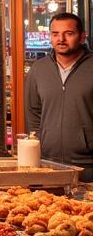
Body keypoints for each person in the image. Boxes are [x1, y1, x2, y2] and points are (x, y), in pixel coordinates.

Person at [24, 12, 93, 181]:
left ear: (82, 36)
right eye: (55, 34)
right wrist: (39, 146)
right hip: (48, 164)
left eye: (69, 33)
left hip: (88, 164)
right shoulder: (38, 69)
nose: (61, 39)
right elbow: (33, 113)